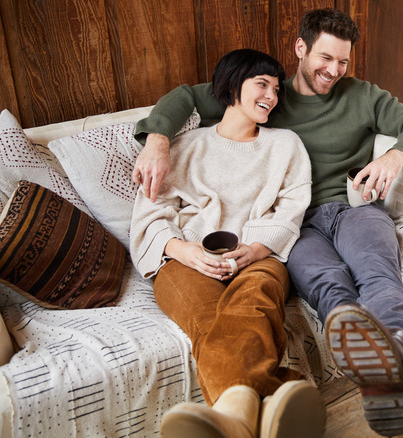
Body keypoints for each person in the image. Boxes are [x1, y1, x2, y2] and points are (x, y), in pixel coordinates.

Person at [132, 8, 403, 438]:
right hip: (299, 227)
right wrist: (159, 140)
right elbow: (185, 97)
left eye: (343, 61)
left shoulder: (361, 95)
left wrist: (394, 155)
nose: (334, 70)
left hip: (354, 209)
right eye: (325, 58)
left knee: (376, 273)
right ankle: (381, 376)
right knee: (328, 284)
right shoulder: (264, 95)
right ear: (300, 48)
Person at [129, 48, 324, 438]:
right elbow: (149, 216)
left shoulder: (285, 145)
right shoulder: (186, 147)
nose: (272, 95)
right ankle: (274, 398)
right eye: (262, 84)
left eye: (276, 89)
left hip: (259, 257)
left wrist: (255, 249)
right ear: (233, 86)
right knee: (209, 320)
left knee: (252, 304)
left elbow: (291, 211)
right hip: (185, 260)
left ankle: (234, 421)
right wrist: (185, 252)